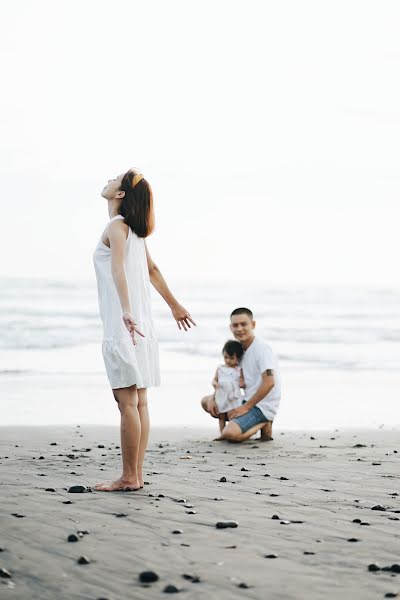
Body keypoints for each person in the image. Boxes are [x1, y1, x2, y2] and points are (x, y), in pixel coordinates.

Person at [92, 168, 195, 491]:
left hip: (125, 325)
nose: (108, 179)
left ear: (120, 194)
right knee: (139, 403)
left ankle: (128, 477)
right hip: (142, 326)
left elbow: (119, 271)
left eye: (115, 178)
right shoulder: (134, 231)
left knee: (127, 403)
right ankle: (136, 475)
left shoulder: (116, 227)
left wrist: (124, 311)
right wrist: (174, 305)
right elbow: (151, 270)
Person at [201, 307, 280, 442]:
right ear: (230, 327)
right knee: (206, 402)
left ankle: (265, 421)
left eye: (244, 324)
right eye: (235, 325)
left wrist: (244, 408)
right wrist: (215, 397)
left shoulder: (261, 349)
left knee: (230, 434)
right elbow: (228, 379)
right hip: (245, 398)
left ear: (253, 325)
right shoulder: (239, 350)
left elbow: (270, 382)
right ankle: (243, 420)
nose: (239, 329)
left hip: (262, 405)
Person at [212, 340, 245, 433]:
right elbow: (215, 379)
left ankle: (231, 431)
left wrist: (242, 383)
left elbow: (242, 382)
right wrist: (215, 383)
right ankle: (222, 432)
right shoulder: (220, 368)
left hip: (233, 396)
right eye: (225, 357)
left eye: (231, 358)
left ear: (238, 358)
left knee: (232, 415)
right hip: (222, 395)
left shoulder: (238, 369)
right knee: (221, 416)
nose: (227, 360)